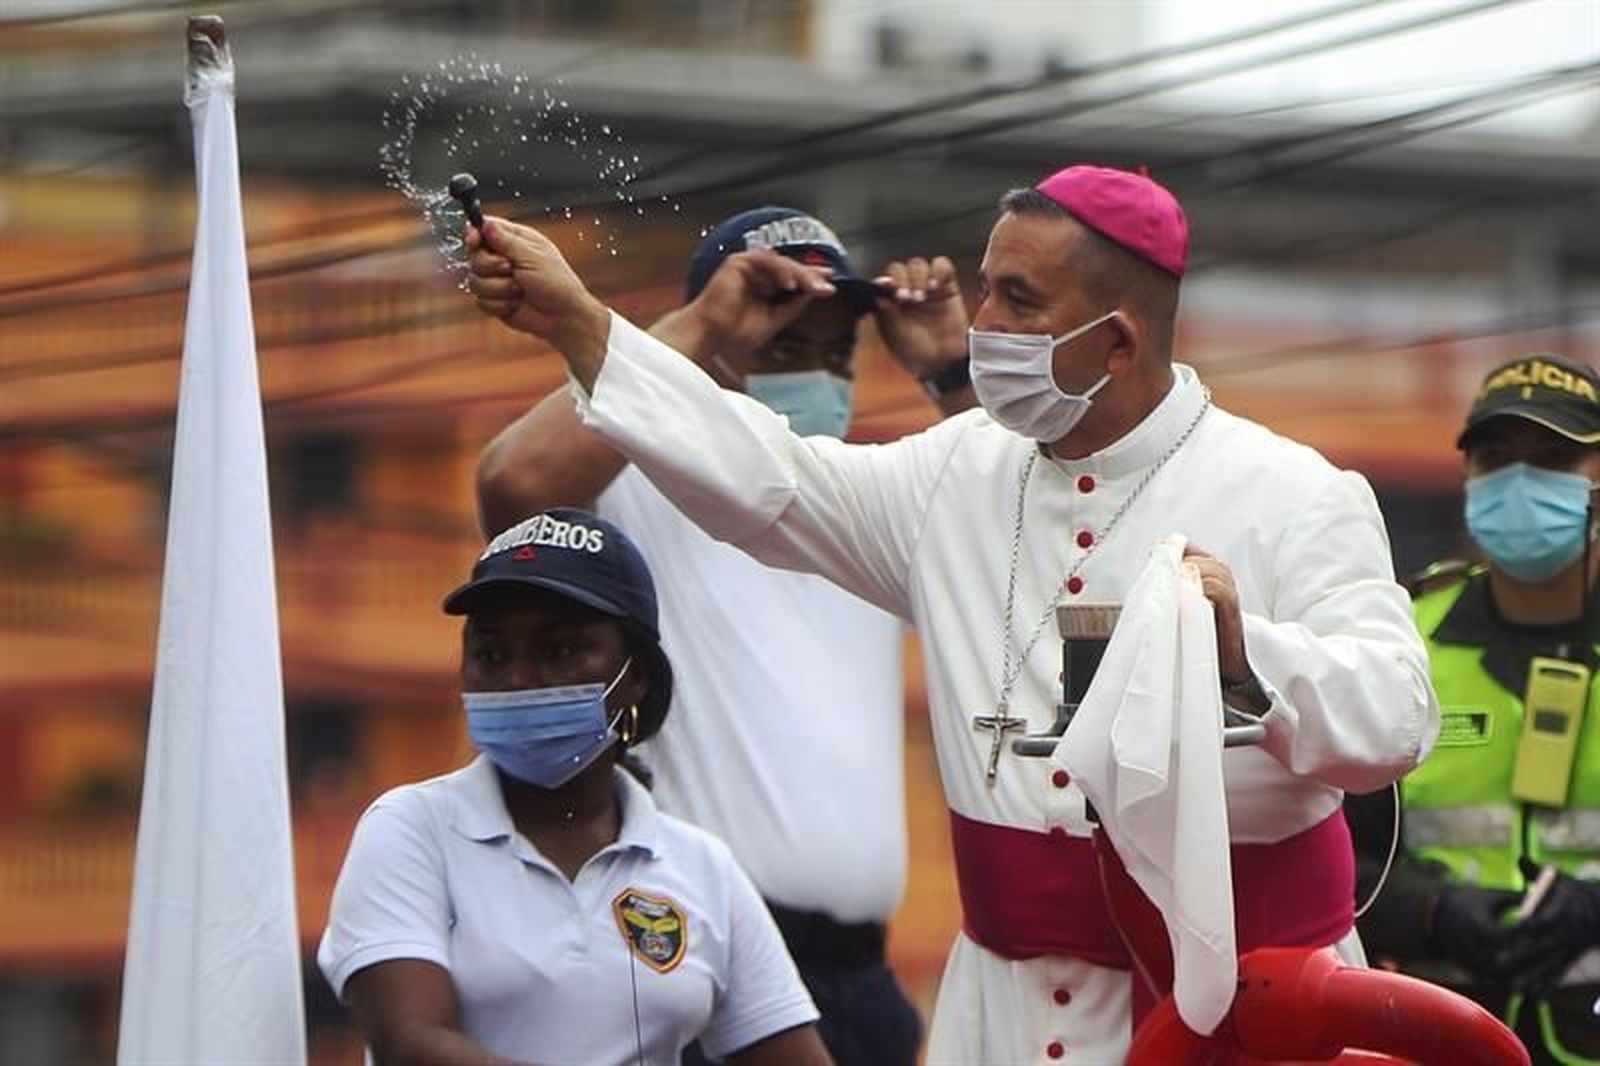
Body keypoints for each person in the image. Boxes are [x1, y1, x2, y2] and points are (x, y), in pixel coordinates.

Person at [462, 164, 1440, 1062]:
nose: (981, 320)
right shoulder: (957, 471)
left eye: (1017, 299)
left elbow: (1394, 719)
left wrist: (1240, 654)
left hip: (1235, 1008)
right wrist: (584, 327)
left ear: (1116, 340)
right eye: (985, 286)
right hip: (1002, 1012)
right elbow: (771, 475)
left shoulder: (1294, 492)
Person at [474, 206, 970, 1066]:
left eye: (836, 351)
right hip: (700, 956)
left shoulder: (870, 499)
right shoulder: (647, 488)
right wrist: (700, 329)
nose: (818, 372)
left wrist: (953, 371)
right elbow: (517, 482)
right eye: (782, 345)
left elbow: (1022, 547)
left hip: (861, 980)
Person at [316, 508, 831, 1066]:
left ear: (633, 676)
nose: (516, 679)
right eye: (490, 655)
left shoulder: (701, 868)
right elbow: (410, 1044)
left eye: (558, 651)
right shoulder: (412, 829)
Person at [1349, 353, 1600, 1063]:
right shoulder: (1402, 643)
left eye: (1553, 459)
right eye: (1495, 459)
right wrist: (1430, 912)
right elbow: (1333, 847)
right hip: (1432, 1032)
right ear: (1468, 481)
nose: (1519, 481)